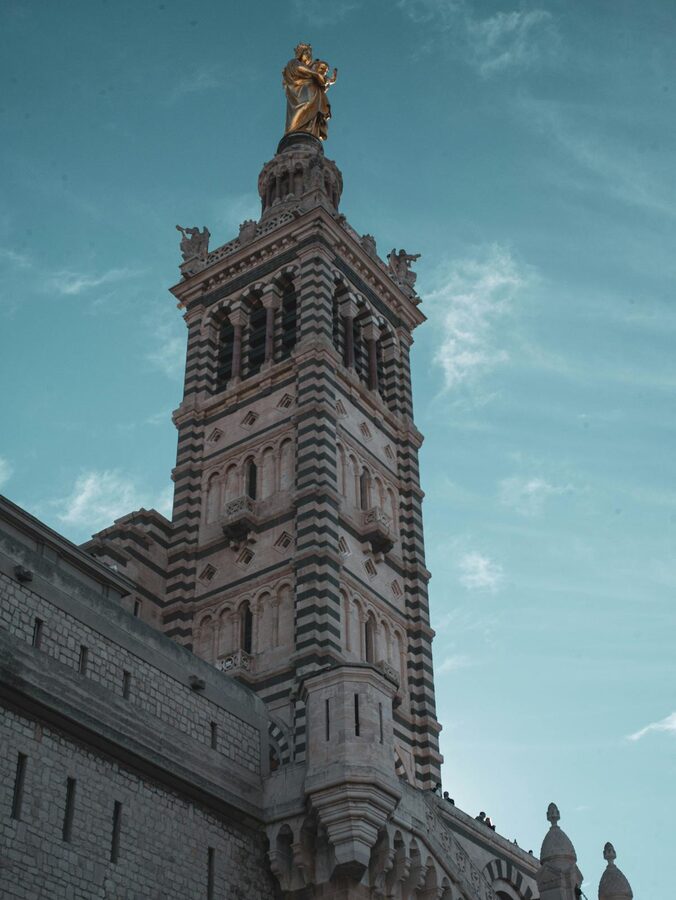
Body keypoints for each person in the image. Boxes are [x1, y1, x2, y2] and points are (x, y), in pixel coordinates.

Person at [282, 44, 337, 140]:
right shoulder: (294, 62)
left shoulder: (311, 69)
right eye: (306, 53)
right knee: (305, 105)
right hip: (300, 92)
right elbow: (298, 69)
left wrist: (328, 81)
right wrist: (315, 74)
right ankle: (293, 132)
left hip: (314, 92)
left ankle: (311, 133)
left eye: (309, 53)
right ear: (300, 53)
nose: (308, 55)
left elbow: (323, 82)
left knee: (315, 113)